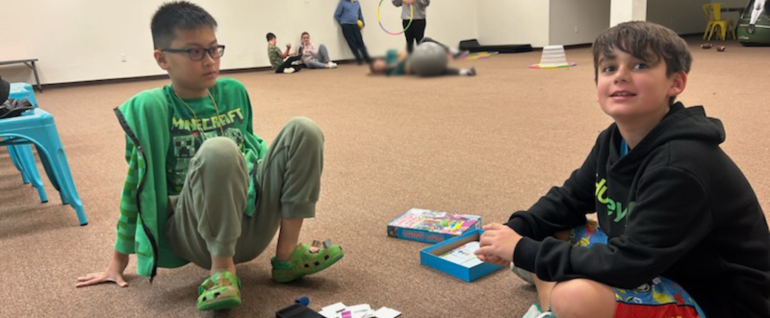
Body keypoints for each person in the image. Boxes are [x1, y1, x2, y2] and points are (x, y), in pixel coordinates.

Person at [474, 21, 770, 318]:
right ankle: (548, 279)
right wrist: (516, 230)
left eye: (640, 65)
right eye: (609, 68)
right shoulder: (612, 139)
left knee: (572, 297)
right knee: (551, 231)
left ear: (676, 83)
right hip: (656, 259)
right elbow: (570, 199)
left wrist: (522, 251)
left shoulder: (679, 164)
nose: (620, 76)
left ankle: (549, 293)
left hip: (715, 297)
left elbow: (628, 265)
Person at [75, 1, 344, 312]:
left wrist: (284, 167)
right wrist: (118, 261)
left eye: (214, 49)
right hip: (194, 233)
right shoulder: (154, 108)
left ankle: (286, 258)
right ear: (162, 59)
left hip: (249, 216)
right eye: (194, 52)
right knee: (220, 149)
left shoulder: (233, 92)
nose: (209, 60)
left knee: (304, 130)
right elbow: (137, 186)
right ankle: (222, 272)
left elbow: (254, 148)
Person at [369, 38, 474, 77]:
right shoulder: (389, 72)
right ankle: (464, 72)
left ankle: (453, 51)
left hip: (415, 56)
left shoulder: (389, 54)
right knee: (434, 69)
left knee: (425, 40)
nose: (380, 67)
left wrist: (397, 64)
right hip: (414, 68)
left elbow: (404, 54)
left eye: (378, 65)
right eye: (378, 69)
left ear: (379, 60)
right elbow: (405, 71)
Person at [334, 0, 371, 65]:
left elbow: (359, 14)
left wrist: (363, 22)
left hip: (355, 24)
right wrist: (342, 23)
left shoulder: (357, 2)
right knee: (352, 43)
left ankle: (367, 58)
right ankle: (359, 59)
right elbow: (336, 15)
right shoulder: (343, 2)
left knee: (360, 41)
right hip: (346, 25)